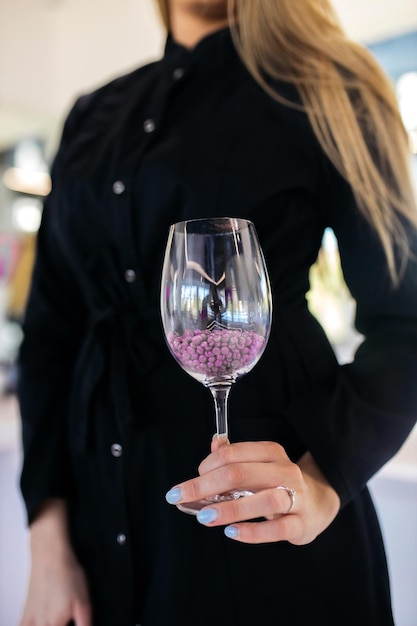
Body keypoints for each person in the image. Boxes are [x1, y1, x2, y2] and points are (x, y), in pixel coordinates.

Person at [17, 1, 417, 625]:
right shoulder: (92, 115)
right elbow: (49, 334)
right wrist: (47, 540)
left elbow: (407, 324)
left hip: (272, 549)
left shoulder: (326, 87)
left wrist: (320, 478)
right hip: (99, 549)